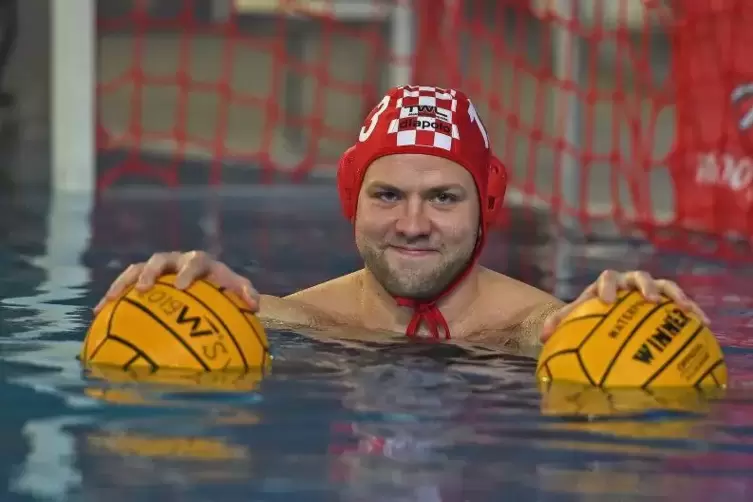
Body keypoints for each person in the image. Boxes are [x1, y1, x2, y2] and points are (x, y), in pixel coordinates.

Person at [93, 85, 710, 349]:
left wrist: (626, 324)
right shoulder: (298, 318)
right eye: (388, 196)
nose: (413, 224)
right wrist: (187, 300)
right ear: (352, 203)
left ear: (485, 208)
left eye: (443, 197)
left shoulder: (546, 330)